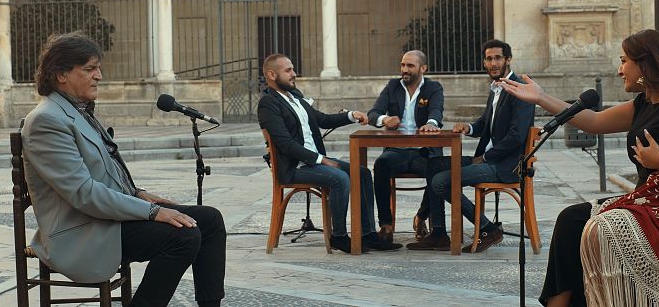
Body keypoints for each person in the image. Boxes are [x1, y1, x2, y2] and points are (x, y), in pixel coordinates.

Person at [498, 29, 659, 307]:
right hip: (644, 203)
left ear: (646, 64)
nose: (620, 69)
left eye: (624, 61)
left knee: (595, 229)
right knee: (571, 220)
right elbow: (594, 121)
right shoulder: (645, 102)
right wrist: (541, 97)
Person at [21, 32, 226, 307]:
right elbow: (84, 193)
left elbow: (104, 174)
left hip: (106, 221)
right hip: (83, 231)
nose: (99, 76)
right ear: (61, 74)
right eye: (89, 69)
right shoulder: (47, 120)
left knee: (210, 220)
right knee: (183, 237)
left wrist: (137, 194)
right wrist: (153, 213)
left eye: (98, 68)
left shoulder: (78, 111)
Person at [257, 53, 402, 253]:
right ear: (272, 75)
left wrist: (351, 116)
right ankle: (339, 237)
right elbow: (285, 144)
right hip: (293, 167)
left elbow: (322, 120)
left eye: (293, 69)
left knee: (362, 173)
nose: (294, 74)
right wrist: (322, 160)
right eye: (288, 70)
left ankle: (368, 235)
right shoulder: (268, 103)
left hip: (313, 162)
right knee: (340, 178)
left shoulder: (296, 97)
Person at [408, 39, 535, 253]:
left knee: (441, 182)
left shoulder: (519, 89)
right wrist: (468, 128)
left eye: (497, 58)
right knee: (434, 164)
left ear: (508, 60)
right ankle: (439, 233)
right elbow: (484, 124)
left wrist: (486, 157)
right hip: (490, 158)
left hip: (505, 165)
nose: (493, 63)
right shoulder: (497, 88)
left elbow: (516, 137)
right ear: (484, 62)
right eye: (489, 59)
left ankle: (488, 229)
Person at [367, 50, 443, 243]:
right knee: (381, 165)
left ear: (423, 68)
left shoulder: (433, 88)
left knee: (439, 172)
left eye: (410, 66)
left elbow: (436, 110)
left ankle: (421, 217)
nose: (405, 70)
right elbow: (374, 112)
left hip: (423, 151)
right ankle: (385, 224)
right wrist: (385, 119)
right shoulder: (393, 86)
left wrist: (432, 123)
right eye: (403, 65)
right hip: (396, 151)